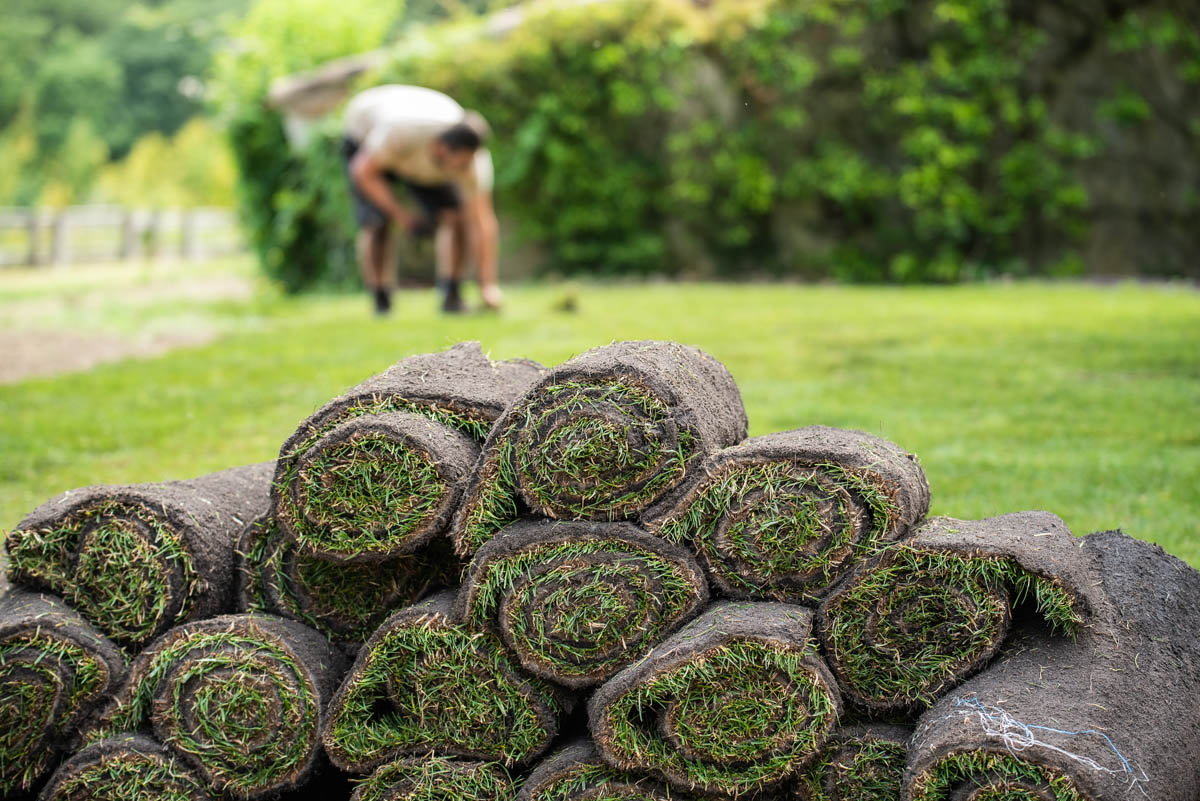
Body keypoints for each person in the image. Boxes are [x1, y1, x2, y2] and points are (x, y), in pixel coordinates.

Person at [342, 84, 501, 314]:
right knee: (377, 222)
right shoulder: (402, 132)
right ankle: (380, 298)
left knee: (455, 216)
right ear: (441, 149)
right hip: (367, 135)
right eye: (460, 163)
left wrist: (488, 286)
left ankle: (451, 295)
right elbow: (362, 172)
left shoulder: (473, 164)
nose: (463, 170)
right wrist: (402, 216)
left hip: (416, 156)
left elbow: (482, 222)